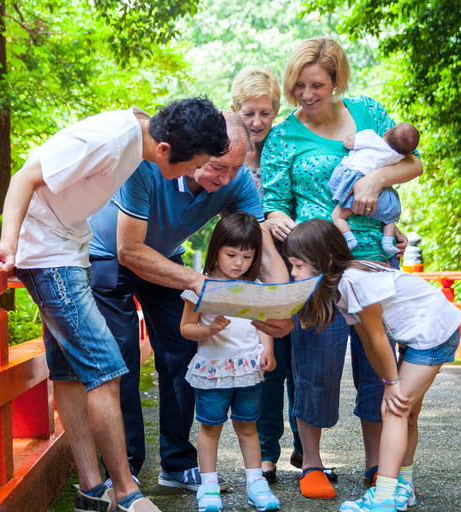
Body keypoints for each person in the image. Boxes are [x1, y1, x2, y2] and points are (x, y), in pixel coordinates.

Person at [0, 98, 230, 512]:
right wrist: (8, 247)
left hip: (71, 247)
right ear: (165, 150)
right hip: (48, 253)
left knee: (71, 373)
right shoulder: (109, 140)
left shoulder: (144, 131)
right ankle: (126, 492)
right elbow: (24, 177)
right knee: (106, 368)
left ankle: (91, 491)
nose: (190, 174)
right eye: (190, 165)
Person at [87, 110, 292, 492]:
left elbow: (260, 246)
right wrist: (203, 284)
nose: (226, 178)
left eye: (235, 168)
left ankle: (177, 464)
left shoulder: (236, 179)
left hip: (165, 257)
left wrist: (282, 306)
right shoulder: (149, 166)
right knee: (121, 357)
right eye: (218, 166)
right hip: (110, 255)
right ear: (198, 150)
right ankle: (126, 467)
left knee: (183, 350)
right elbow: (129, 250)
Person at [260, 37, 423, 500]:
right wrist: (275, 217)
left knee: (379, 363)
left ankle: (378, 463)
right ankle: (311, 462)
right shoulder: (284, 135)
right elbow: (273, 202)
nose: (306, 96)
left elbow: (411, 162)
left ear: (336, 82)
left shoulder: (368, 112)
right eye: (298, 87)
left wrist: (375, 178)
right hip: (317, 267)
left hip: (375, 260)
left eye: (317, 85)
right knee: (317, 363)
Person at [283, 219, 461, 512]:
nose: (294, 272)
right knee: (406, 412)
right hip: (419, 332)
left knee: (395, 410)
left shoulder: (354, 280)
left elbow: (379, 338)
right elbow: (366, 342)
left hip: (432, 332)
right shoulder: (340, 285)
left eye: (299, 264)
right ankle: (403, 487)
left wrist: (392, 386)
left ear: (325, 259)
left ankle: (384, 499)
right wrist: (387, 383)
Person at [179, 212, 282, 512]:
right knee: (210, 427)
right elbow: (186, 328)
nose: (239, 263)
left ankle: (256, 483)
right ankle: (208, 485)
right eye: (231, 254)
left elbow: (262, 325)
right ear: (216, 251)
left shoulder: (257, 287)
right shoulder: (202, 286)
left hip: (248, 369)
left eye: (247, 256)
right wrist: (208, 329)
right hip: (213, 370)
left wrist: (268, 350)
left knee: (249, 426)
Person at [230, 65, 303, 483]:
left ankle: (303, 447)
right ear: (235, 109)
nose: (257, 123)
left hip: (292, 264)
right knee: (267, 363)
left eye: (265, 114)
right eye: (249, 113)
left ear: (276, 112)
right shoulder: (227, 154)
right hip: (250, 270)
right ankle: (268, 451)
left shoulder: (285, 149)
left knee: (298, 361)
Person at [329, 123, 420, 256]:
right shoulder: (399, 157)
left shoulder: (371, 137)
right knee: (389, 215)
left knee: (337, 216)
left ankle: (349, 240)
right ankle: (388, 242)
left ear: (386, 132)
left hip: (352, 177)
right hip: (376, 193)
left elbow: (348, 143)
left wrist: (349, 137)